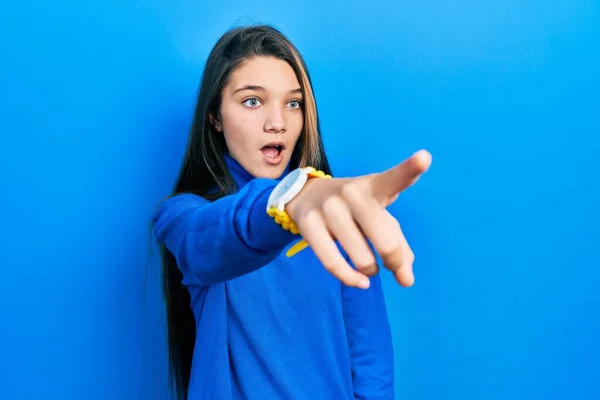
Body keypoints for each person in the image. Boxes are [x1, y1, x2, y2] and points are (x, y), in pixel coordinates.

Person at [151, 24, 432, 400]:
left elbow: (371, 365)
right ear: (215, 116)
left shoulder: (339, 216)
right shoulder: (182, 216)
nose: (278, 122)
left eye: (293, 103)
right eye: (253, 101)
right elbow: (210, 235)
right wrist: (287, 201)